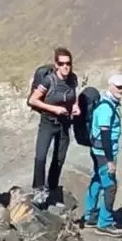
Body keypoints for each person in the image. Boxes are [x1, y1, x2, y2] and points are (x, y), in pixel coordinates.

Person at [28, 47, 80, 207]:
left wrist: (76, 106)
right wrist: (54, 109)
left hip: (64, 123)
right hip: (48, 121)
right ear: (56, 64)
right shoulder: (48, 80)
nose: (65, 67)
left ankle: (52, 190)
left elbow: (73, 96)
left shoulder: (72, 79)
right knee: (41, 156)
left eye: (68, 63)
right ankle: (38, 189)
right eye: (61, 63)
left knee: (59, 158)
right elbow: (33, 100)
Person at [83, 73, 122, 236]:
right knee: (110, 186)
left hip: (97, 151)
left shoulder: (107, 104)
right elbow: (105, 135)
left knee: (97, 180)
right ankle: (105, 222)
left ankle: (90, 215)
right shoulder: (106, 108)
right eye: (118, 86)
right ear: (110, 85)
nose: (121, 90)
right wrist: (110, 161)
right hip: (103, 153)